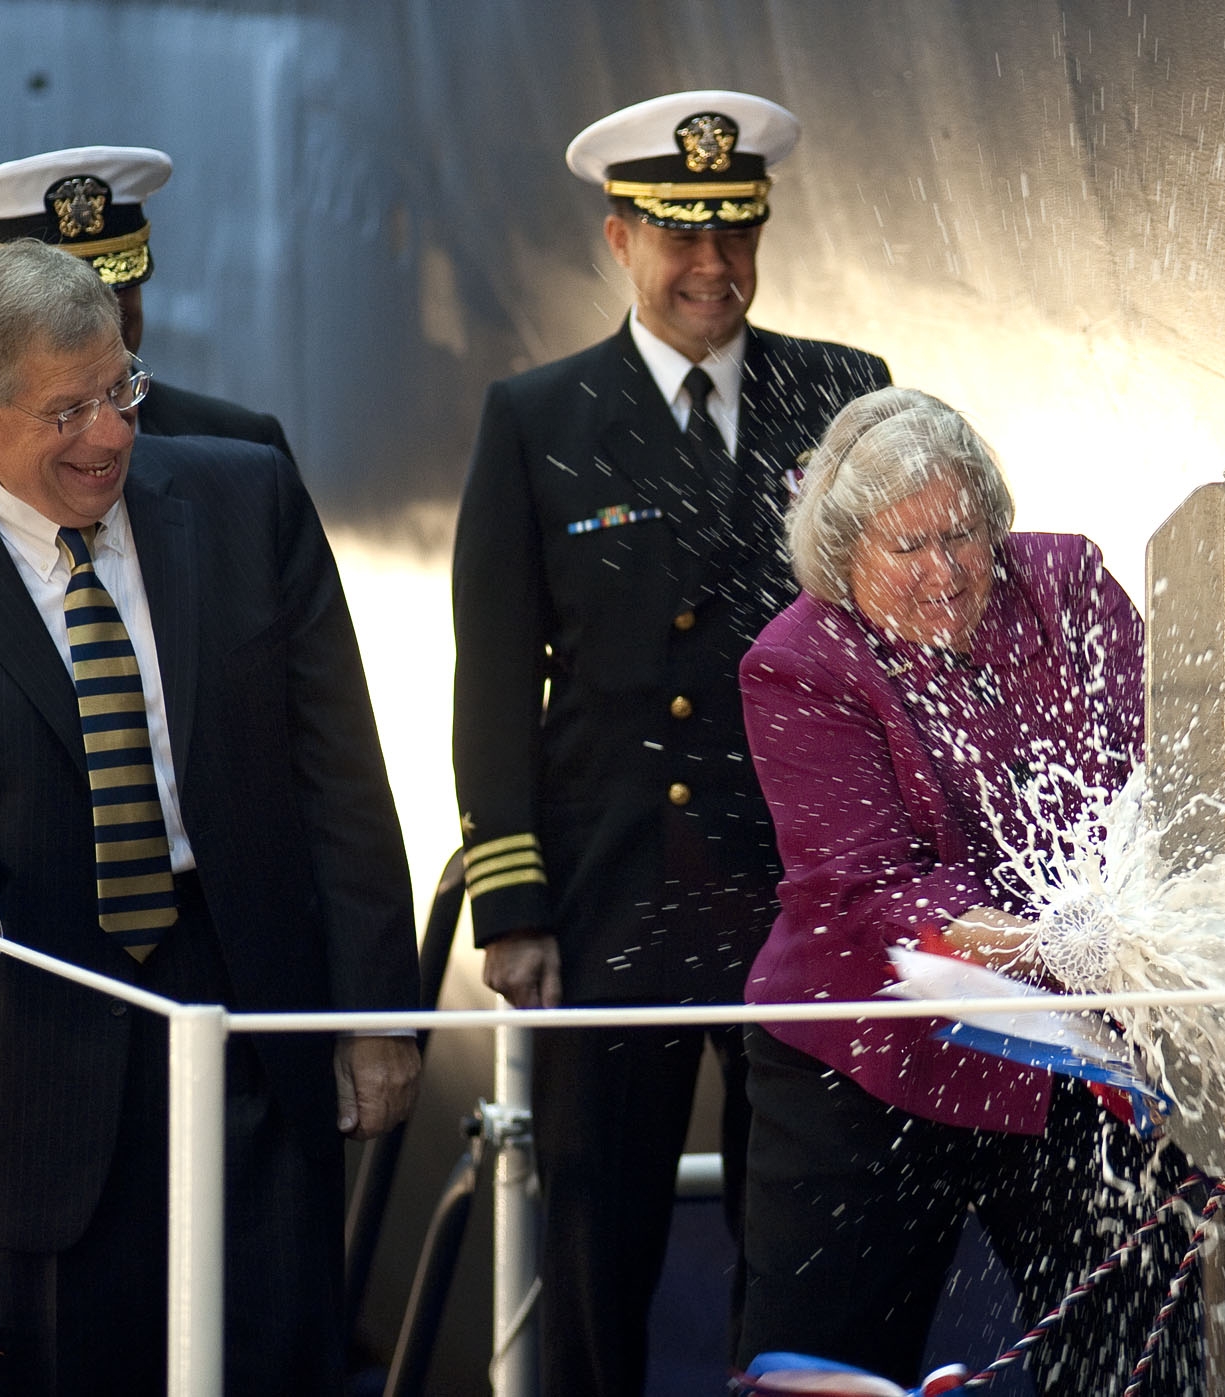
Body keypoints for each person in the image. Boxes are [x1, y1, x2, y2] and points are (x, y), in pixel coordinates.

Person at [0, 239, 420, 1396]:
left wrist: (376, 1012)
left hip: (250, 1031)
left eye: (122, 390)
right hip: (29, 1053)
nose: (109, 434)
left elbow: (341, 773)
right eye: (67, 410)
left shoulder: (246, 495)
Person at [451, 88, 889, 1394]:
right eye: (684, 238)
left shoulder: (845, 394)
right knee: (600, 1239)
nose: (716, 267)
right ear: (620, 238)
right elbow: (493, 680)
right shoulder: (540, 420)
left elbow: (897, 649)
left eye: (737, 232)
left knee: (806, 1233)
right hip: (616, 890)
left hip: (800, 887)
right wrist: (513, 903)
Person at [733, 388, 1176, 1389]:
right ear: (846, 557)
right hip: (866, 1067)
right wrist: (1064, 946)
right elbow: (871, 893)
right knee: (826, 1369)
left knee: (1137, 1357)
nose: (945, 571)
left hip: (1070, 1058)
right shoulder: (797, 660)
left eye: (965, 535)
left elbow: (1168, 775)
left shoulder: (1065, 583)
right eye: (909, 547)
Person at [0, 145, 298, 1061]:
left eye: (119, 297)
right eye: (65, 407)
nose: (108, 433)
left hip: (232, 975)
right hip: (17, 1003)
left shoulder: (238, 460)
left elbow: (319, 746)